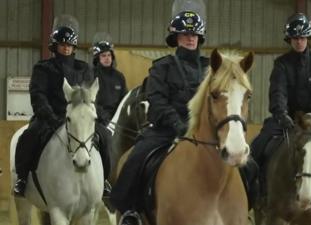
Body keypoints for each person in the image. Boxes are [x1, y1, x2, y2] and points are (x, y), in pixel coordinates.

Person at [109, 11, 208, 225]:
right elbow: (158, 102)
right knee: (136, 158)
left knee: (247, 163)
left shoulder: (210, 67)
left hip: (203, 133)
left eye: (194, 34)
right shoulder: (162, 67)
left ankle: (244, 206)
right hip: (166, 130)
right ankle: (130, 212)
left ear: (200, 38)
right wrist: (178, 124)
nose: (191, 38)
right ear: (176, 38)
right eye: (185, 34)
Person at [13, 15, 111, 197]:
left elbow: (90, 97)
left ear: (74, 47)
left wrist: (98, 115)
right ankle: (22, 178)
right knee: (28, 136)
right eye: (62, 45)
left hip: (78, 118)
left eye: (69, 45)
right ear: (55, 46)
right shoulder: (43, 68)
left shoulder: (84, 68)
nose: (66, 48)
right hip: (50, 117)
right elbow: (38, 95)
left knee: (105, 136)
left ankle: (104, 180)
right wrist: (49, 116)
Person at [250, 13, 311, 185]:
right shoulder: (281, 64)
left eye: (302, 37)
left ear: (308, 38)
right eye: (295, 38)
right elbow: (277, 92)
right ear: (289, 39)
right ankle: (253, 188)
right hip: (286, 120)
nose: (299, 41)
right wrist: (281, 114)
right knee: (257, 146)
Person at [91, 35, 127, 125]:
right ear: (97, 58)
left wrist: (119, 116)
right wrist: (103, 116)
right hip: (97, 120)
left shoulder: (119, 76)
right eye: (103, 56)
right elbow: (91, 100)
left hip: (117, 119)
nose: (107, 58)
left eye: (109, 55)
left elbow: (124, 99)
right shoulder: (91, 75)